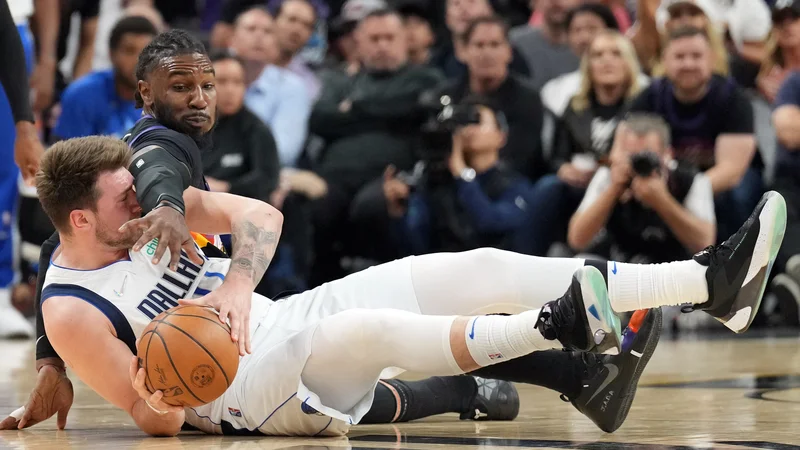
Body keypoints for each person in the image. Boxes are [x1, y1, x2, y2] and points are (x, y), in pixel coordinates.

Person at [31, 134, 785, 437]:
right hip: (239, 393)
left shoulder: (156, 212)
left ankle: (711, 282)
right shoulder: (69, 309)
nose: (144, 202)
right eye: (124, 200)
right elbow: (154, 424)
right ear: (78, 218)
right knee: (357, 334)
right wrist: (162, 394)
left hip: (276, 314)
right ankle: (555, 329)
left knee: (475, 267)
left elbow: (261, 215)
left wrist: (232, 286)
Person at [0, 29, 266, 431]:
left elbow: (55, 244)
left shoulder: (150, 141)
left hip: (216, 337)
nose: (199, 98)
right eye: (181, 87)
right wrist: (167, 206)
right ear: (146, 93)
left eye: (206, 85)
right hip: (196, 374)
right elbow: (159, 170)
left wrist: (50, 362)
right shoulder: (162, 143)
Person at [628, 26, 760, 241]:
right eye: (679, 57)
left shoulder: (732, 98)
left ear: (711, 59)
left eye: (696, 56)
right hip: (667, 176)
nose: (688, 64)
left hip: (723, 181)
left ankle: (741, 264)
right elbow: (624, 149)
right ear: (665, 60)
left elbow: (731, 171)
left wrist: (684, 189)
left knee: (738, 195)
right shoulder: (649, 96)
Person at [568, 114, 716, 262]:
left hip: (670, 270)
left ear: (667, 154)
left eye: (647, 156)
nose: (638, 165)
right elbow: (577, 240)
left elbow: (705, 243)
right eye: (631, 157)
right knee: (581, 263)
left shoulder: (692, 180)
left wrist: (662, 201)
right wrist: (613, 191)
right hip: (618, 265)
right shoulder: (609, 177)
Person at [53, 16, 158, 140]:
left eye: (146, 53)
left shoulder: (163, 97)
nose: (139, 61)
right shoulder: (81, 95)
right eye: (129, 51)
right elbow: (68, 157)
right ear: (111, 54)